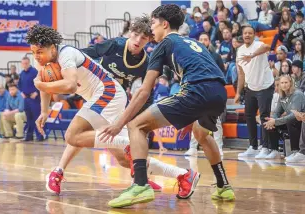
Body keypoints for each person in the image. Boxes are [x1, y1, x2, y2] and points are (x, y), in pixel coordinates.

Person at [26, 22, 197, 198]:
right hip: (106, 97)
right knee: (125, 160)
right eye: (33, 52)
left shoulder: (66, 54)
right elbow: (46, 85)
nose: (36, 57)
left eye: (39, 52)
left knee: (72, 135)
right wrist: (44, 111)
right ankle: (183, 174)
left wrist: (40, 85)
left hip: (108, 93)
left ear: (52, 48)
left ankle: (59, 171)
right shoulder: (45, 60)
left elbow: (68, 86)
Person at [100, 4, 235, 208]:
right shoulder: (191, 41)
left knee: (136, 126)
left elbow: (144, 91)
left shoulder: (163, 44)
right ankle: (224, 185)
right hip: (219, 92)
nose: (151, 29)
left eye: (153, 24)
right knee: (201, 136)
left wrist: (119, 123)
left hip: (196, 89)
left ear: (164, 24)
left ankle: (140, 185)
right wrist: (191, 114)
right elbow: (209, 73)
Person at [235, 26, 276, 159]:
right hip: (250, 87)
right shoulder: (240, 50)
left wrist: (252, 55)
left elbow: (268, 47)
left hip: (265, 86)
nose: (247, 35)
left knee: (264, 116)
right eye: (245, 33)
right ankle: (253, 146)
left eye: (250, 33)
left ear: (254, 35)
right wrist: (237, 92)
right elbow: (241, 73)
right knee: (249, 116)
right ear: (242, 35)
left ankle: (265, 147)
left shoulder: (259, 44)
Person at [264, 75, 305, 159]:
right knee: (268, 122)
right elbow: (277, 112)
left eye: (286, 82)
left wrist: (276, 121)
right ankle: (274, 150)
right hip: (292, 120)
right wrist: (273, 120)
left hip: (301, 120)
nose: (284, 85)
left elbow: (294, 115)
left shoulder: (297, 94)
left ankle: (296, 151)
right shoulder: (282, 95)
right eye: (281, 83)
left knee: (291, 121)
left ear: (291, 83)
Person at [18, 56, 43, 141]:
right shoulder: (21, 73)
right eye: (23, 63)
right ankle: (29, 136)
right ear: (21, 64)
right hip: (26, 99)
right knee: (29, 118)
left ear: (29, 63)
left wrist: (36, 92)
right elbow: (19, 85)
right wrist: (21, 93)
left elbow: (40, 83)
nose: (25, 65)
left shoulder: (34, 72)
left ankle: (40, 136)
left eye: (26, 63)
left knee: (37, 117)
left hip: (34, 99)